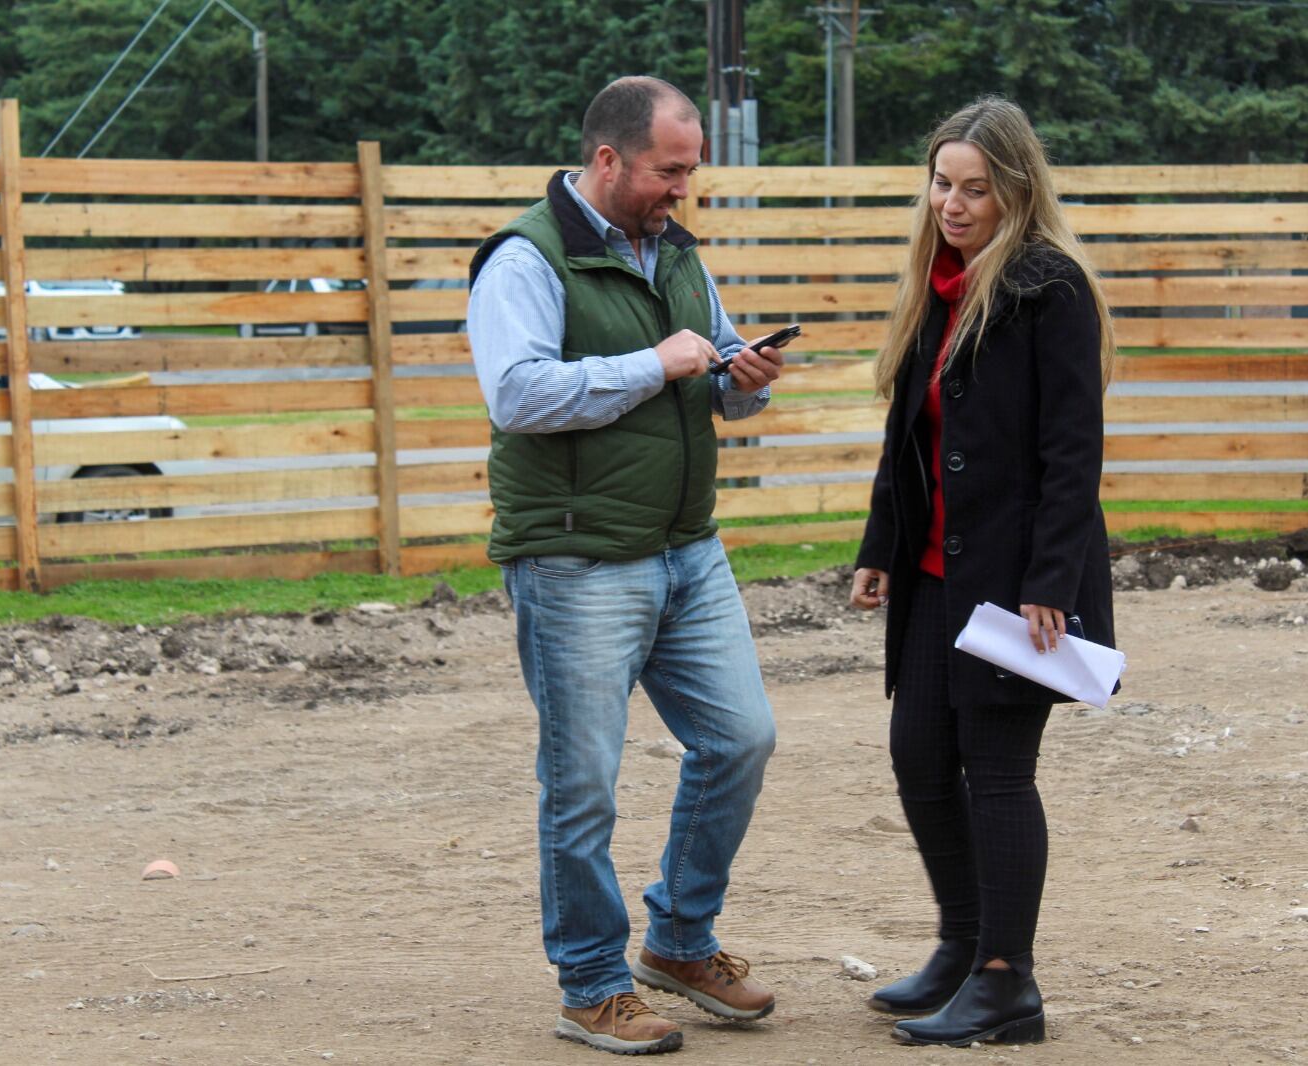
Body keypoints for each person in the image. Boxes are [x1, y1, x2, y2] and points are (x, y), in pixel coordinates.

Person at [467, 76, 784, 1057]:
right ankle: (592, 986)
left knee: (740, 741)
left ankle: (679, 942)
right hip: (575, 561)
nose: (682, 188)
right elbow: (516, 394)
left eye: (689, 170)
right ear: (607, 159)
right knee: (582, 787)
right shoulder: (524, 257)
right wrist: (660, 362)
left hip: (687, 549)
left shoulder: (676, 250)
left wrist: (742, 379)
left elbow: (707, 370)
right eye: (668, 170)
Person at [848, 96, 1117, 1048]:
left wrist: (1052, 578)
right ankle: (962, 948)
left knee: (998, 774)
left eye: (974, 189)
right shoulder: (940, 282)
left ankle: (1009, 983)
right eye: (941, 184)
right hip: (931, 578)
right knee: (920, 758)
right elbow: (908, 440)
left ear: (1015, 190)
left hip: (1018, 585)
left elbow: (1071, 451)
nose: (951, 204)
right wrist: (882, 546)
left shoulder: (1050, 288)